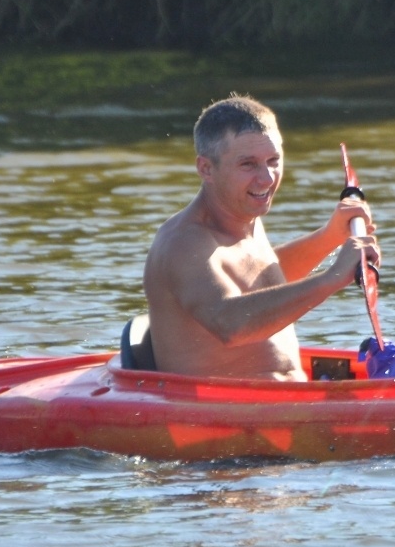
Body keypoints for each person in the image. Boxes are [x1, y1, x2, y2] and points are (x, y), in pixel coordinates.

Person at [143, 95, 379, 380]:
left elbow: (260, 282)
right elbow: (229, 323)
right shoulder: (183, 242)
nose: (267, 178)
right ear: (206, 168)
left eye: (273, 160)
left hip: (285, 406)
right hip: (229, 418)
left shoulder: (243, 216)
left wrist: (329, 238)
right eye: (248, 164)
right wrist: (333, 277)